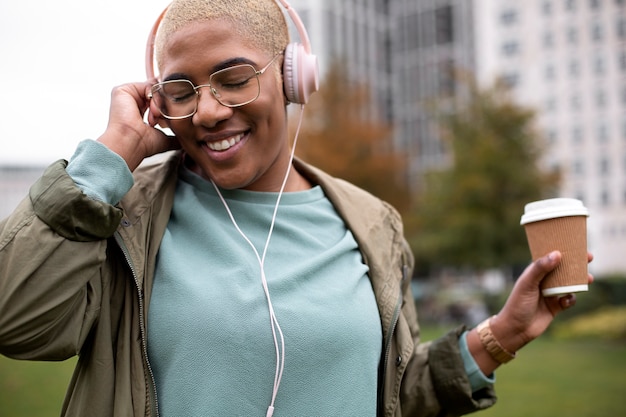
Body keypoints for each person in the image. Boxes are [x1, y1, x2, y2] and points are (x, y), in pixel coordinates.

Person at [0, 1, 593, 416]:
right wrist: (110, 159)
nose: (206, 111)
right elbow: (16, 322)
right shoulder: (119, 212)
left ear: (293, 77)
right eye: (181, 91)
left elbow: (392, 393)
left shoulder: (372, 222)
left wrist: (502, 335)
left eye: (233, 78)